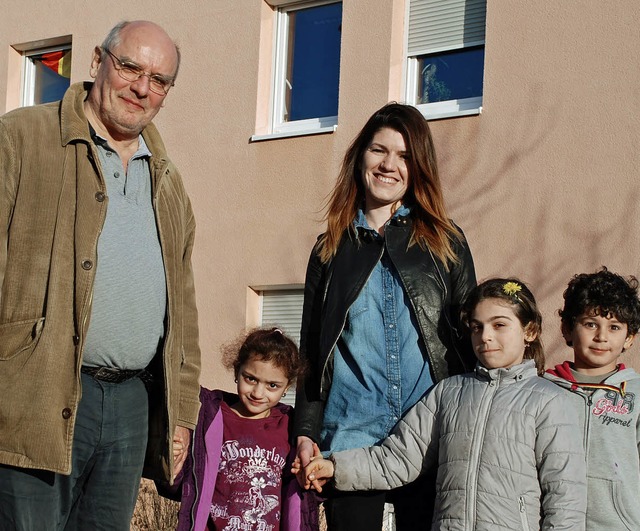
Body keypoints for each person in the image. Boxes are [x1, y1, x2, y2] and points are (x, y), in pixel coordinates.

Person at [0, 20, 201, 530]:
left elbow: (183, 305)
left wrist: (181, 412)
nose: (142, 88)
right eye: (131, 67)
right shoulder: (22, 138)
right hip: (36, 392)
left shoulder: (168, 178)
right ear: (97, 62)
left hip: (132, 404)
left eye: (159, 80)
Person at [293, 102, 476, 529]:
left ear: (419, 167)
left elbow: (472, 342)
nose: (389, 165)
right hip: (351, 439)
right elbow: (312, 350)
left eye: (405, 155)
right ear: (361, 157)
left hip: (430, 439)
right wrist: (305, 430)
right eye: (379, 150)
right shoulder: (329, 248)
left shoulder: (446, 241)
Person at [296, 279, 588, 530]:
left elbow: (565, 497)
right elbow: (398, 458)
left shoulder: (551, 401)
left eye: (499, 325)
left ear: (530, 331)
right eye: (477, 327)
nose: (485, 336)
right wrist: (335, 466)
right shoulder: (449, 393)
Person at [159, 327, 317, 531]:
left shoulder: (290, 426)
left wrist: (313, 477)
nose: (258, 393)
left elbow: (301, 495)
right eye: (251, 379)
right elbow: (184, 485)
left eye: (273, 385)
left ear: (287, 387)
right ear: (237, 371)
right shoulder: (210, 417)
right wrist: (170, 460)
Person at [545, 267, 640, 530]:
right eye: (590, 324)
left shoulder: (637, 394)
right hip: (551, 523)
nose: (601, 336)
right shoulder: (541, 391)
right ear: (566, 329)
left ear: (629, 338)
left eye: (614, 327)